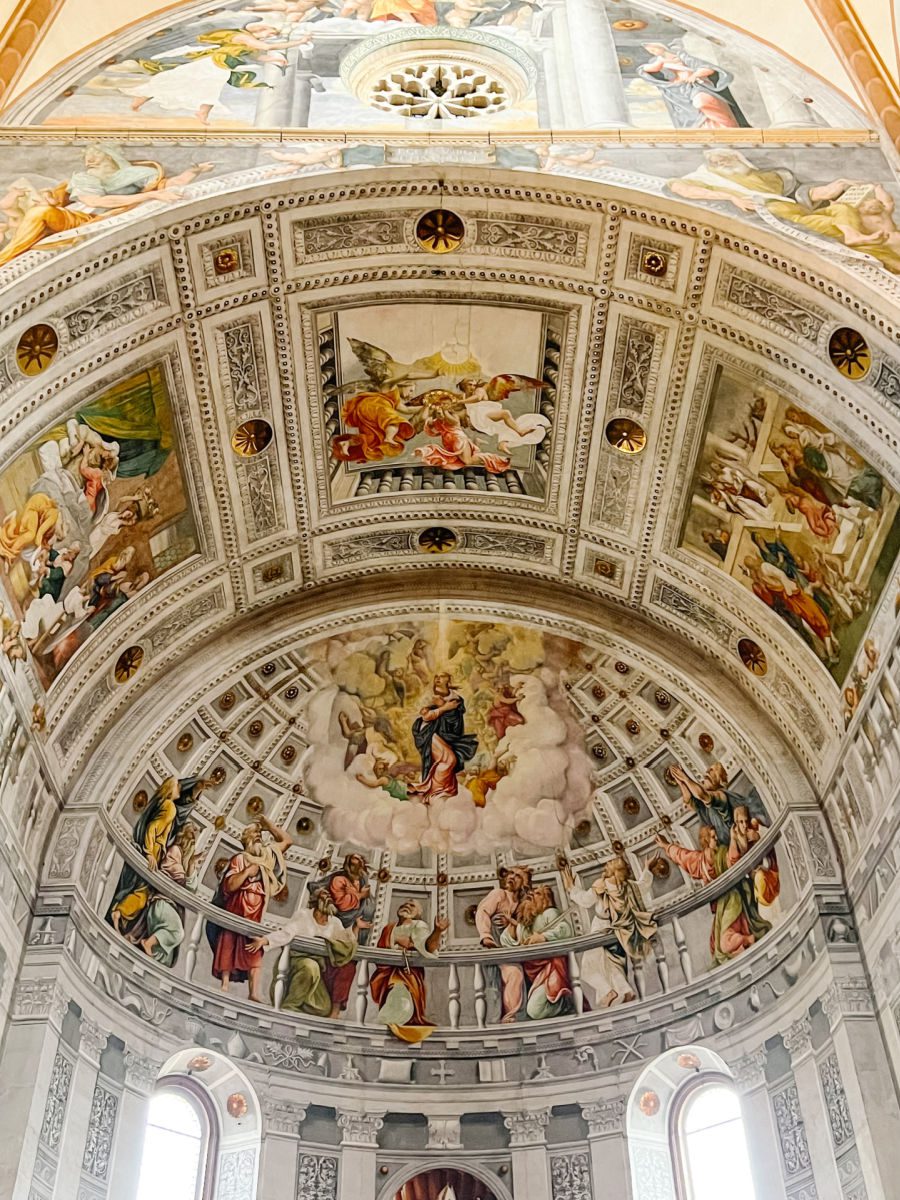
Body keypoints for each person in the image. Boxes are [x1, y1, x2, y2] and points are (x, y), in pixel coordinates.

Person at [0, 146, 213, 267]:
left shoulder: (139, 175)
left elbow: (171, 185)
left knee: (41, 213)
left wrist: (195, 171)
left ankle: (5, 258)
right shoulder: (83, 180)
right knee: (41, 212)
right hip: (77, 216)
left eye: (96, 156)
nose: (89, 160)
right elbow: (94, 201)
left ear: (110, 157)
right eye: (87, 157)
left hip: (95, 220)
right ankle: (5, 258)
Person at [107, 775, 215, 934]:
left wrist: (196, 790)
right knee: (143, 891)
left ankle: (120, 913)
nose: (179, 788)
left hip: (155, 849)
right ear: (170, 789)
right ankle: (120, 912)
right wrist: (150, 853)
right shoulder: (170, 807)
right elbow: (153, 828)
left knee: (143, 891)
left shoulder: (166, 805)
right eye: (177, 786)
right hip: (154, 850)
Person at [656, 827, 771, 965]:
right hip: (722, 907)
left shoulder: (722, 853)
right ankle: (746, 943)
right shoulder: (700, 861)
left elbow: (733, 861)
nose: (716, 838)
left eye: (715, 835)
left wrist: (733, 839)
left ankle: (748, 940)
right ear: (705, 841)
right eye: (712, 836)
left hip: (734, 901)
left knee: (724, 944)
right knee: (715, 945)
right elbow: (681, 855)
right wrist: (666, 845)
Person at [208, 815, 292, 1002]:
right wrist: (247, 871)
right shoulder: (239, 859)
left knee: (254, 951)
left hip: (255, 914)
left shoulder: (267, 857)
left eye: (260, 834)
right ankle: (224, 985)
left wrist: (269, 825)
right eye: (254, 833)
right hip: (236, 910)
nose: (259, 836)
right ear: (246, 838)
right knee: (228, 942)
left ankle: (253, 993)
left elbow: (287, 841)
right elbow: (229, 886)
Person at [563, 857, 656, 1008]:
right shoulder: (628, 886)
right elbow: (643, 885)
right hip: (620, 932)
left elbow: (585, 900)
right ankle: (626, 992)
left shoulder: (601, 885)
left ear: (612, 869)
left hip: (601, 930)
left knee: (588, 967)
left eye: (608, 865)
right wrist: (647, 869)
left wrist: (571, 888)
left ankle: (608, 992)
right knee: (614, 966)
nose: (605, 867)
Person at [249, 889, 357, 1018]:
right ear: (316, 901)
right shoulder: (304, 916)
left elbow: (345, 943)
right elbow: (286, 933)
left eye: (330, 896)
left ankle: (298, 1008)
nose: (328, 898)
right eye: (324, 895)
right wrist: (265, 940)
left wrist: (356, 928)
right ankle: (289, 1006)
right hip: (295, 963)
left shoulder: (335, 923)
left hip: (318, 973)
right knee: (310, 966)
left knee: (323, 1009)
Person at [370, 900, 449, 1042]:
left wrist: (437, 931)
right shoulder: (389, 928)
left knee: (401, 998)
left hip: (407, 975)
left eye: (412, 906)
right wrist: (397, 939)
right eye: (404, 904)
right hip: (387, 975)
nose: (406, 905)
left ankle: (387, 1023)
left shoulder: (418, 925)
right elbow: (380, 955)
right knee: (393, 998)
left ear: (417, 914)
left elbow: (428, 947)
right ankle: (387, 1023)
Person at [500, 884, 574, 1020]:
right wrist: (512, 926)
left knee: (534, 1010)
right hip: (535, 972)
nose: (532, 895)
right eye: (532, 893)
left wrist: (543, 937)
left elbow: (566, 930)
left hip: (551, 969)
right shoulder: (527, 920)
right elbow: (506, 941)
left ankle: (565, 1004)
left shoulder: (549, 913)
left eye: (538, 894)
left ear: (546, 900)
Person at [638, 42, 748, 130]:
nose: (653, 53)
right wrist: (653, 64)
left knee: (702, 101)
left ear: (661, 47)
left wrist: (695, 75)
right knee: (693, 112)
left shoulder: (683, 56)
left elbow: (707, 68)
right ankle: (706, 130)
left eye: (654, 49)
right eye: (651, 51)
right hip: (679, 88)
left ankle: (728, 126)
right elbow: (647, 69)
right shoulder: (659, 60)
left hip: (695, 85)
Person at [475, 866, 533, 1022]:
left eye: (518, 876)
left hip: (513, 951)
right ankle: (509, 1017)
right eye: (511, 873)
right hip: (496, 948)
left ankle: (517, 1016)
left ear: (525, 884)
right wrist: (486, 935)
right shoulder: (499, 894)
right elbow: (483, 912)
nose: (512, 877)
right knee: (514, 974)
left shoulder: (522, 903)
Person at [137, 821, 200, 966]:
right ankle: (147, 942)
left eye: (194, 840)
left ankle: (150, 953)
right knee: (177, 932)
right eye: (191, 836)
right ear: (184, 835)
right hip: (161, 905)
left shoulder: (185, 860)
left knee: (163, 954)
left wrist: (191, 864)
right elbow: (175, 874)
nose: (192, 842)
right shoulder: (175, 850)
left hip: (169, 908)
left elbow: (191, 889)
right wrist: (186, 870)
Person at [409, 673, 478, 804]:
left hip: (446, 735)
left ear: (448, 680)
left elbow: (456, 721)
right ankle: (433, 792)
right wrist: (445, 707)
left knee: (449, 761)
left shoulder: (456, 698)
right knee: (449, 759)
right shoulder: (431, 697)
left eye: (442, 676)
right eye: (436, 677)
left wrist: (448, 710)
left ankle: (442, 791)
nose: (438, 679)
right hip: (428, 732)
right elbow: (426, 716)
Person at [669, 762, 767, 846]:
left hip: (733, 842)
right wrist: (681, 782)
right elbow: (689, 801)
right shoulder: (704, 804)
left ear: (719, 780)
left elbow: (701, 794)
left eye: (711, 770)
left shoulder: (720, 795)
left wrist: (685, 778)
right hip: (724, 845)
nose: (707, 772)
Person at [312, 853, 375, 943]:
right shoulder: (339, 880)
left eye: (361, 861)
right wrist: (360, 895)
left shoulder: (363, 881)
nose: (359, 862)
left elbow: (368, 901)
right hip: (343, 921)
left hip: (359, 922)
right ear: (348, 865)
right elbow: (342, 903)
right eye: (355, 862)